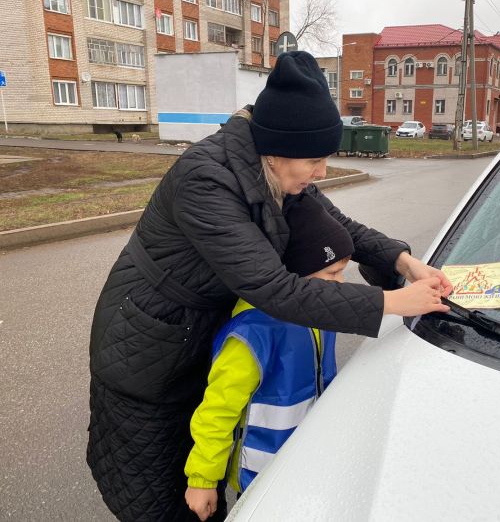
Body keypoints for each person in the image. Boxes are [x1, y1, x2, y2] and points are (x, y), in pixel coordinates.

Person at [87, 50, 451, 521]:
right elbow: (274, 289)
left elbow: (339, 225)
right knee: (163, 494)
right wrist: (393, 302)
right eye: (316, 160)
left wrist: (405, 262)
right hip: (148, 349)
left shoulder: (276, 167)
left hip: (202, 331)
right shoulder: (206, 180)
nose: (322, 173)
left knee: (211, 451)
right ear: (277, 152)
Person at [184, 194, 353, 521]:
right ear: (295, 274)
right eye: (333, 273)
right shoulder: (253, 334)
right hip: (259, 476)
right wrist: (203, 481)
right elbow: (218, 411)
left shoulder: (319, 313)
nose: (341, 283)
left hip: (304, 461)